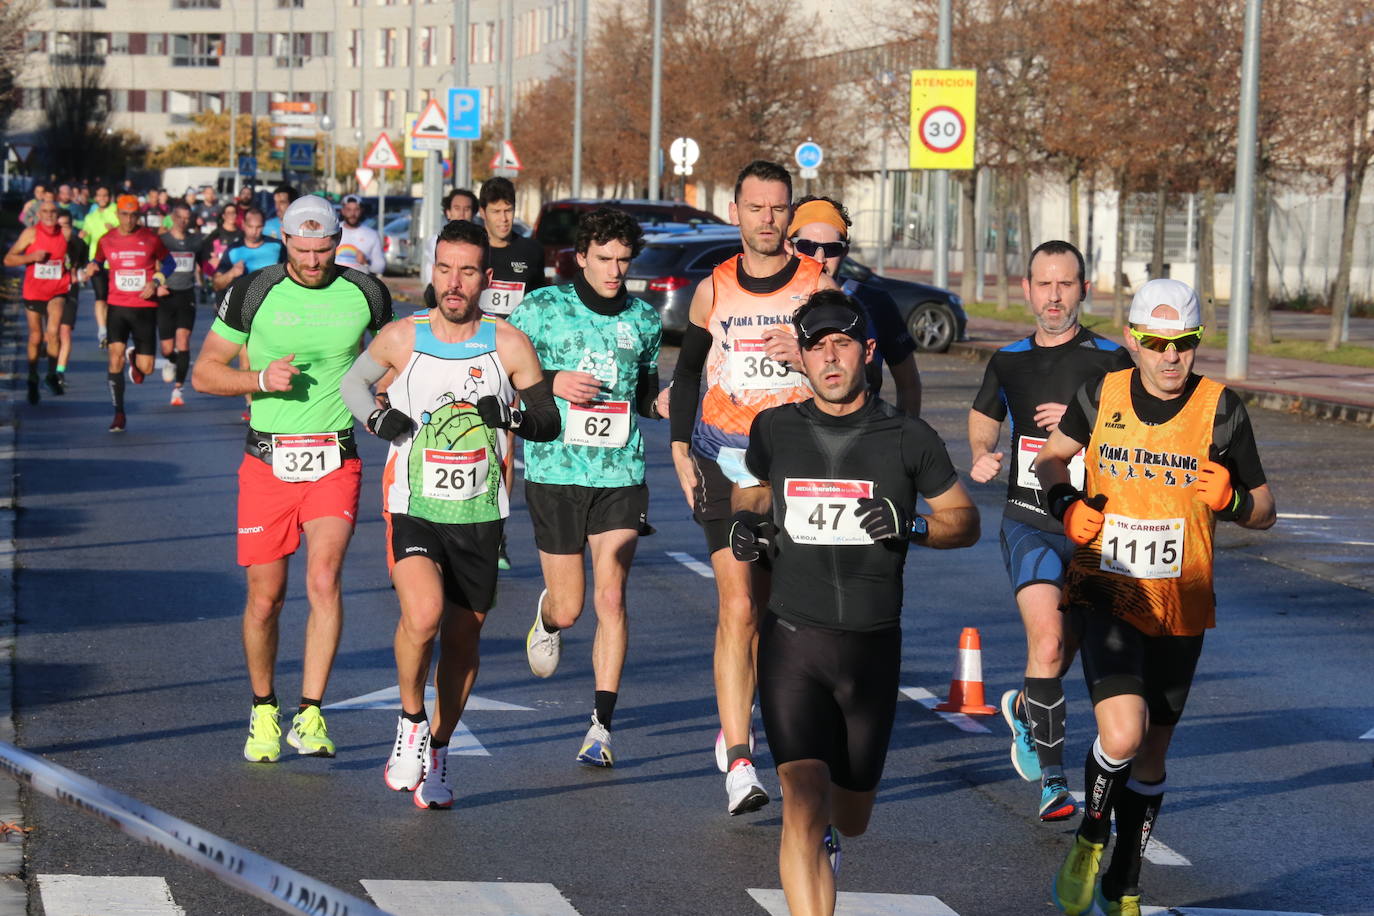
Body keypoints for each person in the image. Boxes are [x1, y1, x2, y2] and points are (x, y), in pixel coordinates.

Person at [731, 290, 980, 915]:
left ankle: (833, 833)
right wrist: (746, 522)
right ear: (803, 359)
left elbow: (964, 520)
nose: (830, 358)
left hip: (872, 651)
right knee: (802, 798)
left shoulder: (908, 437)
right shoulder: (776, 428)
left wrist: (911, 525)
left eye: (842, 343)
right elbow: (752, 491)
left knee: (853, 813)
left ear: (867, 352)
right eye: (816, 347)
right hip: (794, 640)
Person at [1034, 278, 1275, 916]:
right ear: (1136, 341)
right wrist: (1066, 504)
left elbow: (1266, 510)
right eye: (1159, 344)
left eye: (1186, 344)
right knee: (1123, 731)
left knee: (1154, 752)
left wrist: (1235, 500)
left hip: (1181, 602)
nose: (1172, 358)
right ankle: (1091, 832)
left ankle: (1126, 873)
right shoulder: (1101, 393)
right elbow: (1052, 460)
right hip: (1106, 590)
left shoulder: (1222, 409)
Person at [338, 219, 559, 808]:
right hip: (413, 506)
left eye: (466, 271)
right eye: (444, 269)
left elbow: (548, 421)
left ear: (485, 278)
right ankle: (411, 721)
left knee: (463, 644)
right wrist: (378, 420)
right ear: (432, 272)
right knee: (425, 613)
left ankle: (437, 750)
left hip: (481, 514)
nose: (454, 282)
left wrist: (508, 417)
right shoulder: (402, 336)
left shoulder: (507, 343)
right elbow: (352, 385)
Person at [190, 196, 393, 764]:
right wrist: (258, 377)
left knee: (324, 579)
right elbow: (204, 372)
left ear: (338, 241)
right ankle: (263, 708)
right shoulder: (252, 292)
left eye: (323, 249)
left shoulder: (367, 292)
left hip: (335, 457)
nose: (312, 260)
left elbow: (398, 356)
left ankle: (310, 710)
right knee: (265, 599)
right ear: (284, 241)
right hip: (267, 462)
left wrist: (386, 398)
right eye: (302, 250)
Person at [665, 159, 837, 814]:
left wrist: (812, 355)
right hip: (725, 460)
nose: (767, 220)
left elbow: (848, 376)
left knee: (778, 615)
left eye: (778, 209)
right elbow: (686, 374)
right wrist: (680, 447)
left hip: (798, 466)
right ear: (735, 211)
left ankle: (740, 713)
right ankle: (740, 758)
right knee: (737, 606)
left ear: (789, 214)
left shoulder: (817, 286)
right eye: (755, 208)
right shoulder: (715, 287)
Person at [967, 239, 1135, 822]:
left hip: (1096, 528)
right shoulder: (1009, 360)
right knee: (1048, 641)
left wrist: (1082, 425)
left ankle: (1023, 708)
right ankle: (1054, 783)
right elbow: (983, 418)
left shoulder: (1113, 360)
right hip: (1031, 520)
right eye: (1045, 284)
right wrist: (983, 453)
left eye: (1066, 284)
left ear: (1084, 289)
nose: (1055, 297)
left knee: (1062, 650)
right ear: (1027, 290)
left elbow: (1142, 431)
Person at [508, 207, 662, 766]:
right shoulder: (541, 309)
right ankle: (548, 617)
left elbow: (646, 389)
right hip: (555, 472)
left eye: (624, 261)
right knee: (574, 607)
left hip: (620, 472)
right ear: (581, 257)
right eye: (604, 259)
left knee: (611, 596)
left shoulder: (643, 319)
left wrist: (662, 403)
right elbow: (500, 372)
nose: (615, 271)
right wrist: (552, 381)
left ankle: (600, 728)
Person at [786, 195, 921, 416]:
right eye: (807, 247)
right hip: (789, 437)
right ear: (789, 246)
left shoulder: (873, 301)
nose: (819, 259)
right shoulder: (766, 297)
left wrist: (907, 438)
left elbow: (908, 384)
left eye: (831, 249)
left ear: (845, 252)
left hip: (860, 438)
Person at [83, 194, 174, 431]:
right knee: (114, 357)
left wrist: (155, 281)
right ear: (118, 214)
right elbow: (97, 259)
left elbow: (170, 262)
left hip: (144, 307)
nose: (130, 219)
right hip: (118, 307)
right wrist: (92, 266)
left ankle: (134, 359)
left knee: (146, 368)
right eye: (125, 214)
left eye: (134, 215)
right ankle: (119, 413)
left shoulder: (150, 238)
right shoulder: (107, 239)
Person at [4, 200, 71, 402]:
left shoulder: (66, 233)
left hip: (57, 290)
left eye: (53, 211)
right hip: (34, 291)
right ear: (39, 214)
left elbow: (76, 252)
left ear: (57, 214)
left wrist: (74, 268)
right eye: (45, 211)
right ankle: (32, 377)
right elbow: (8, 259)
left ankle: (51, 375)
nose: (49, 215)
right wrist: (31, 257)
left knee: (53, 331)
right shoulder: (31, 233)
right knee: (35, 336)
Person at [476, 177, 545, 317]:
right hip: (478, 335)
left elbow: (540, 301)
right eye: (496, 211)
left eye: (508, 210)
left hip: (517, 335)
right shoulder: (471, 249)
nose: (504, 219)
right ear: (483, 212)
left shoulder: (532, 251)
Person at [157, 202, 204, 403]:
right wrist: (156, 284)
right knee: (167, 348)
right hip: (166, 295)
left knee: (183, 340)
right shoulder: (163, 240)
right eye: (180, 218)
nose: (184, 222)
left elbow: (204, 263)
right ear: (173, 218)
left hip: (186, 295)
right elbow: (153, 263)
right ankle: (171, 360)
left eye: (187, 218)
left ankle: (178, 390)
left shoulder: (195, 241)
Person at [81, 186, 119, 348]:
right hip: (96, 261)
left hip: (115, 261)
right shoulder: (90, 217)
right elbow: (87, 239)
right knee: (100, 297)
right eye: (99, 195)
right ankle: (102, 330)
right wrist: (84, 236)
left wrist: (115, 230)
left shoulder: (117, 212)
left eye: (105, 195)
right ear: (95, 197)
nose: (102, 198)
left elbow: (127, 232)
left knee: (113, 298)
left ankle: (112, 327)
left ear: (110, 197)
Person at [55, 210, 89, 381]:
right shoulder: (47, 243)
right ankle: (51, 364)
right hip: (49, 291)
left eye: (66, 226)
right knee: (51, 334)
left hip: (69, 290)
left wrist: (81, 273)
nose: (63, 230)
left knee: (65, 331)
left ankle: (60, 372)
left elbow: (84, 266)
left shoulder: (78, 243)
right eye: (58, 226)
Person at [420, 188, 479, 283]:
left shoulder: (480, 242)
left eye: (467, 209)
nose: (462, 214)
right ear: (448, 212)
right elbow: (431, 278)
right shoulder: (435, 242)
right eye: (457, 208)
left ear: (473, 213)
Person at [336, 194, 386, 275]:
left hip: (361, 284)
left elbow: (380, 267)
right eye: (349, 209)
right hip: (336, 282)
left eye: (356, 209)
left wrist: (366, 262)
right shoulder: (334, 230)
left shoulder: (372, 235)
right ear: (342, 211)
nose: (353, 214)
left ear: (361, 210)